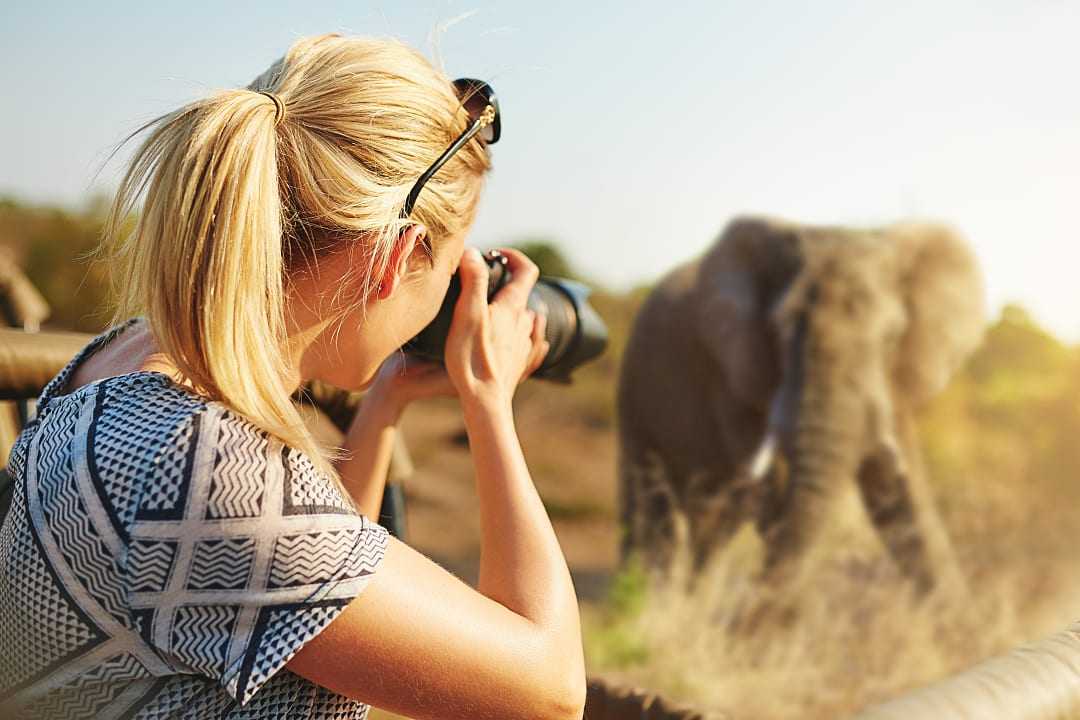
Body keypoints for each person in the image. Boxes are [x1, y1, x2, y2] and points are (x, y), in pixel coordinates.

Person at [0, 32, 586, 720]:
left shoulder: (125, 358)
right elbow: (547, 690)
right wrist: (490, 402)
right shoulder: (201, 468)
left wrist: (385, 401)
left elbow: (308, 573)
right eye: (451, 264)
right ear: (396, 259)